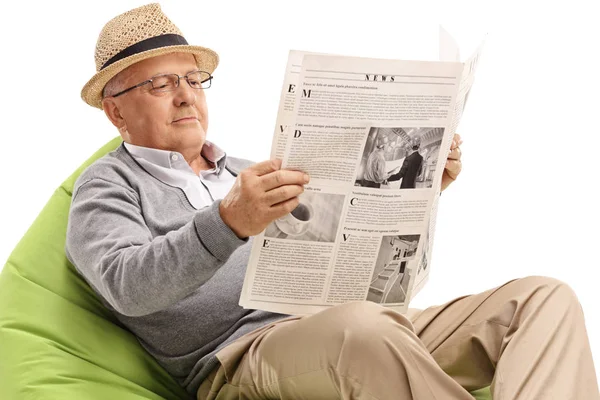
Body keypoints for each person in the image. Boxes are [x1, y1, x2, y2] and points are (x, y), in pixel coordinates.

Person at [66, 3, 600, 399]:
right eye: (160, 84)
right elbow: (127, 286)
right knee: (364, 332)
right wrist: (227, 222)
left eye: (192, 78)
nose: (186, 94)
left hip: (357, 327)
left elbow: (364, 264)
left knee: (541, 300)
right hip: (242, 360)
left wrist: (416, 196)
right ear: (115, 112)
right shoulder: (106, 186)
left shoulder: (250, 170)